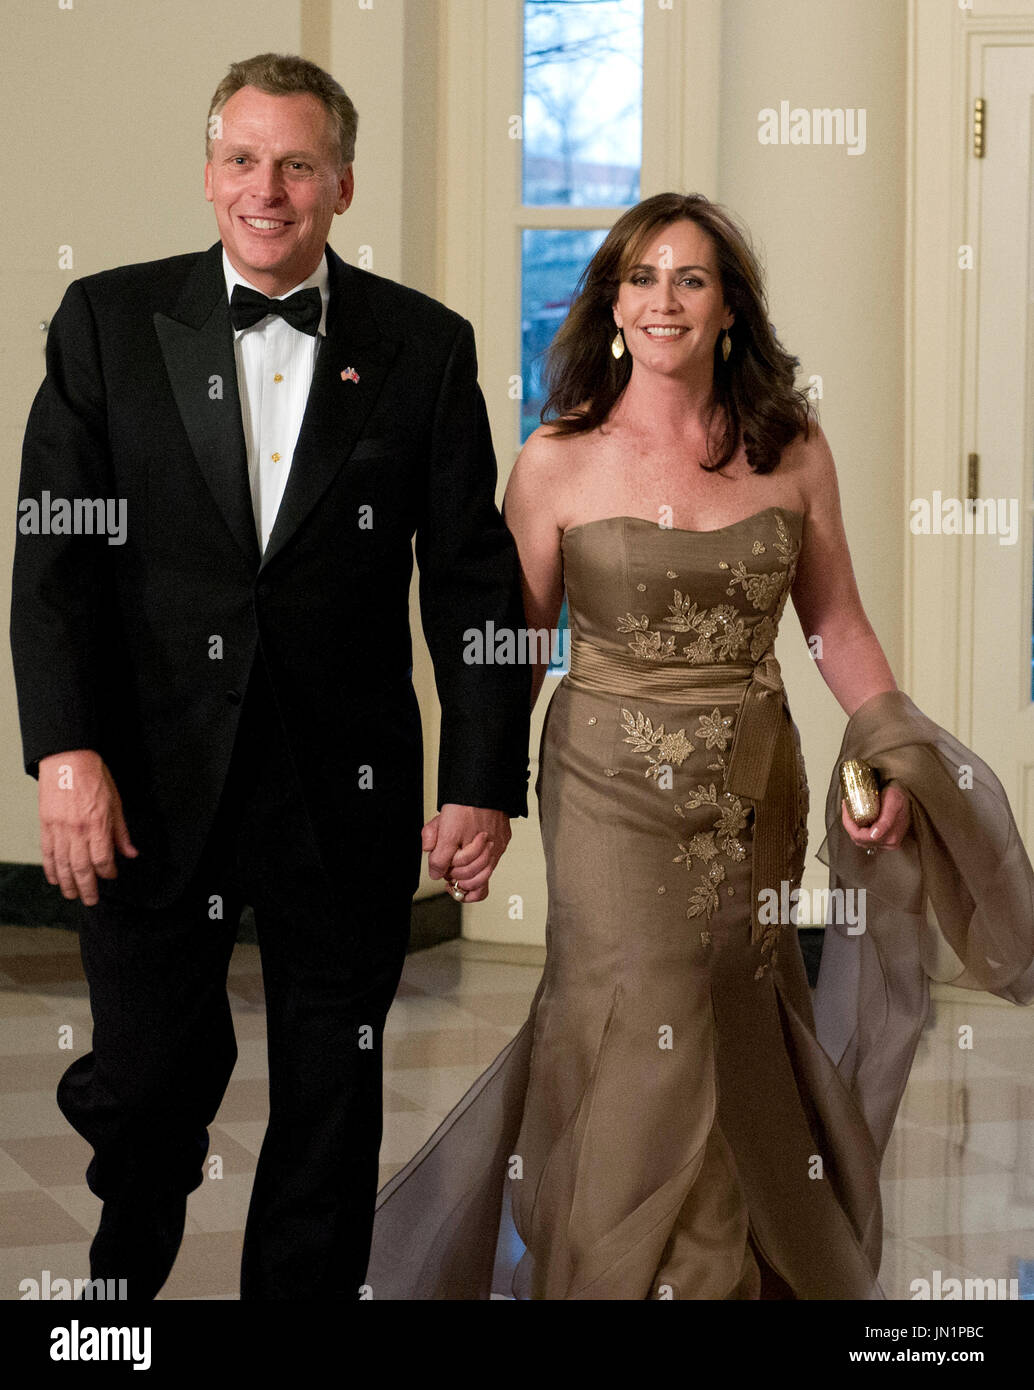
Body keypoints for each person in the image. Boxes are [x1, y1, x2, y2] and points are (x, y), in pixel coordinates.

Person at [364, 192, 1034, 1299]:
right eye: (639, 277)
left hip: (747, 784)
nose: (660, 300)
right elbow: (515, 652)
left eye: (688, 279)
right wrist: (471, 798)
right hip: (605, 786)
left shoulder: (789, 447)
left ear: (727, 308)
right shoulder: (555, 459)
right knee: (630, 1006)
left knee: (731, 1005)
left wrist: (880, 752)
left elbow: (835, 624)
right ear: (609, 302)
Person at [9, 52, 530, 1301]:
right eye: (243, 158)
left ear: (342, 183)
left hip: (339, 788)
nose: (268, 188)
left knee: (331, 1090)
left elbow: (471, 581)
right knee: (143, 1085)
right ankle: (114, 1304)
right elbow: (55, 557)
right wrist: (66, 752)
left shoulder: (423, 346)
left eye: (297, 163)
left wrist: (479, 780)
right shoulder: (106, 323)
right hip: (146, 778)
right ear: (207, 174)